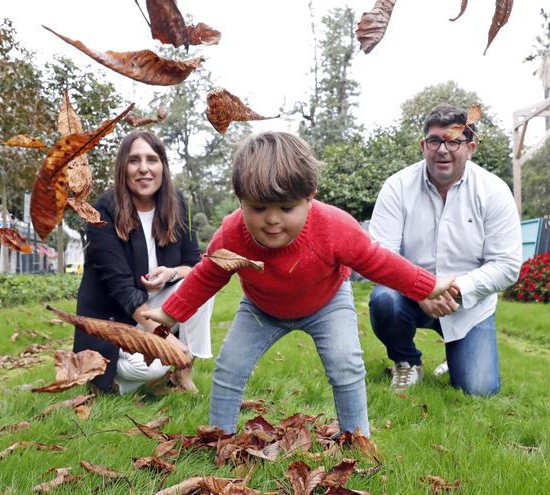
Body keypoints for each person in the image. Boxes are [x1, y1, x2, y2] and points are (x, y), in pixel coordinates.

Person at [142, 131, 456, 437]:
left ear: (309, 198)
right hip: (261, 308)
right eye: (258, 208)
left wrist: (427, 286)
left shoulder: (334, 227)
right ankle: (219, 436)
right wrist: (171, 313)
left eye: (286, 208)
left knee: (346, 365)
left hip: (327, 303)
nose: (272, 220)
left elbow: (378, 261)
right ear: (240, 201)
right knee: (229, 366)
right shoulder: (232, 234)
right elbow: (207, 274)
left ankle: (356, 437)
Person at [368, 104, 522, 394]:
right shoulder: (397, 187)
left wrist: (453, 289)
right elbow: (380, 254)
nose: (443, 149)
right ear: (423, 145)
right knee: (383, 301)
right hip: (408, 296)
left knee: (478, 390)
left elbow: (507, 264)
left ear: (471, 147)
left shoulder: (494, 191)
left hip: (467, 304)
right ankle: (406, 361)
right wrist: (421, 288)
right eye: (435, 141)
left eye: (454, 141)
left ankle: (457, 357)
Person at [73, 130, 215, 394]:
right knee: (151, 367)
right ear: (123, 168)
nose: (144, 169)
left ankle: (182, 374)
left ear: (163, 166)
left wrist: (171, 273)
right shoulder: (103, 211)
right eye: (134, 160)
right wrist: (168, 341)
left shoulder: (176, 205)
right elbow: (124, 292)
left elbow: (194, 265)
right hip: (116, 321)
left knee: (203, 288)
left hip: (153, 310)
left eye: (152, 160)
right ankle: (110, 378)